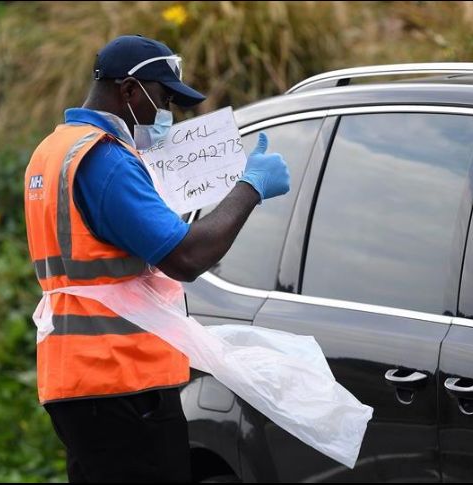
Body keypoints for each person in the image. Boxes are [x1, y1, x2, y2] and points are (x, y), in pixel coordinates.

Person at [23, 35, 290, 482]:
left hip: (77, 378)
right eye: (163, 99)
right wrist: (251, 188)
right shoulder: (104, 159)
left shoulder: (54, 151)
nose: (167, 115)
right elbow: (185, 257)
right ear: (129, 91)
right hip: (122, 381)